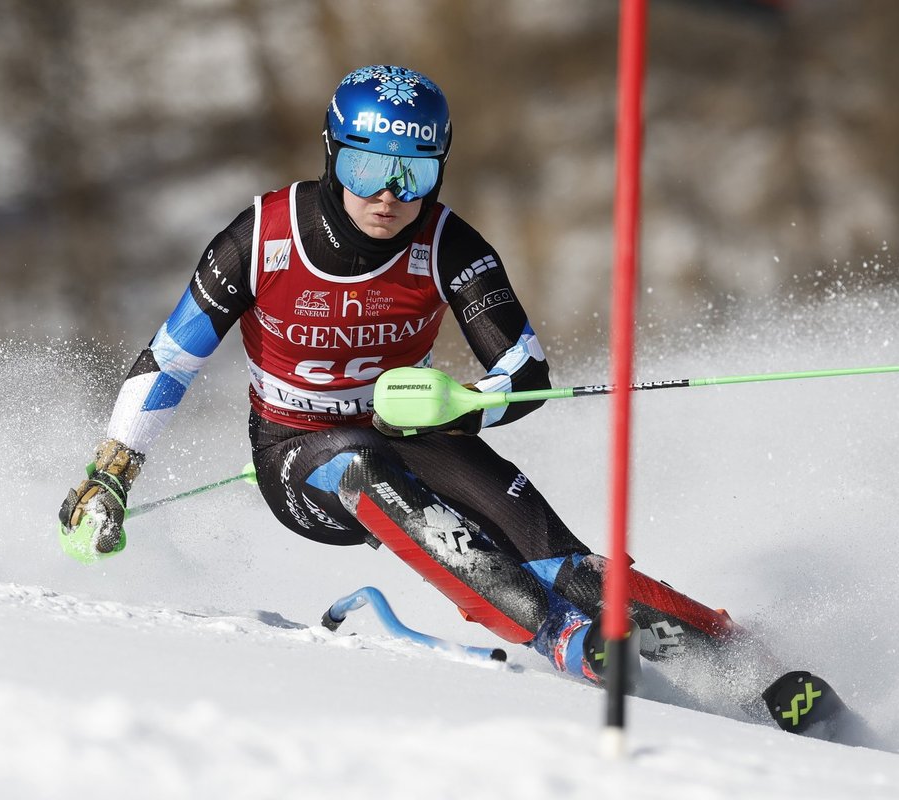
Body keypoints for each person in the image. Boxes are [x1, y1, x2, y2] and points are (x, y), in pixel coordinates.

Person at [58, 64, 748, 687]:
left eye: (412, 174)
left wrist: (462, 407)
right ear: (333, 157)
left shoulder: (447, 243)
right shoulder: (263, 237)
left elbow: (524, 369)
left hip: (414, 428)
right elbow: (172, 358)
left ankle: (741, 660)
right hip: (298, 450)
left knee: (564, 566)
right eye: (364, 170)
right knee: (362, 466)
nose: (387, 195)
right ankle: (561, 636)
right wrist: (114, 469)